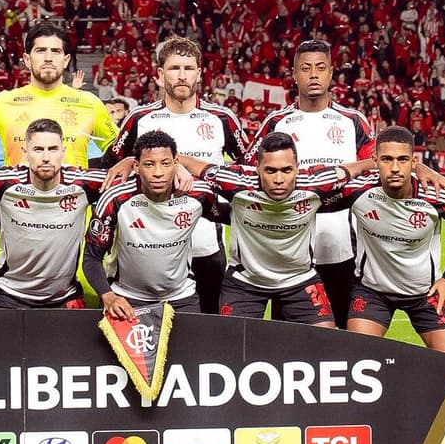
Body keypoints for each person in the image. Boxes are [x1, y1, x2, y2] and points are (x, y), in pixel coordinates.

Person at [104, 36, 247, 315]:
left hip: (205, 243)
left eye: (188, 68)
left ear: (199, 74)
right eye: (174, 68)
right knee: (144, 327)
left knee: (206, 325)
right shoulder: (140, 118)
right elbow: (111, 164)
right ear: (160, 75)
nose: (182, 76)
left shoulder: (221, 118)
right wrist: (129, 160)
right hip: (150, 245)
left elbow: (248, 170)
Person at [244, 38, 375, 329]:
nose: (313, 75)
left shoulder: (353, 121)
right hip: (289, 255)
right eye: (306, 68)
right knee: (291, 339)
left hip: (343, 249)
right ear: (294, 74)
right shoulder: (277, 122)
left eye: (320, 68)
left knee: (343, 337)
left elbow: (376, 169)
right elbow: (250, 174)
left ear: (331, 73)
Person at [323, 126, 445, 356]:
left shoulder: (436, 195)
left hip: (426, 293)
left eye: (402, 159)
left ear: (414, 162)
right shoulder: (358, 191)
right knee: (357, 360)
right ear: (375, 161)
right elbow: (314, 189)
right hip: (372, 291)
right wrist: (361, 166)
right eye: (386, 159)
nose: (395, 168)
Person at [183, 132, 362, 326]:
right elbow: (195, 166)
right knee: (231, 343)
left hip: (300, 280)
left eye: (287, 170)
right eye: (270, 170)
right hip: (244, 282)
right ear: (257, 168)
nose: (279, 179)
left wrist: (373, 163)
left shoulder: (316, 182)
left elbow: (351, 169)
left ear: (297, 168)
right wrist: (177, 167)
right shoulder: (237, 181)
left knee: (325, 338)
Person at [84, 130, 221, 320]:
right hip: (126, 299)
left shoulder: (199, 194)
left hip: (182, 298)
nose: (158, 173)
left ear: (176, 164)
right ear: (136, 166)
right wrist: (109, 297)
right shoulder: (116, 198)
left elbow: (233, 215)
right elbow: (91, 257)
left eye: (165, 164)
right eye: (149, 164)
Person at [0, 118, 106, 310]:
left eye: (52, 149)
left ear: (63, 152)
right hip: (8, 295)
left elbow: (134, 180)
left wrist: (127, 163)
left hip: (63, 298)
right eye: (38, 149)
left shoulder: (83, 183)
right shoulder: (4, 182)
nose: (45, 157)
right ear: (25, 153)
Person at [0, 20, 120, 169]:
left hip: (74, 188)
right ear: (27, 59)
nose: (48, 58)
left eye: (56, 51)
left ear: (66, 60)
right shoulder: (1, 103)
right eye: (40, 51)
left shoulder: (91, 104)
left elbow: (123, 151)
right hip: (18, 188)